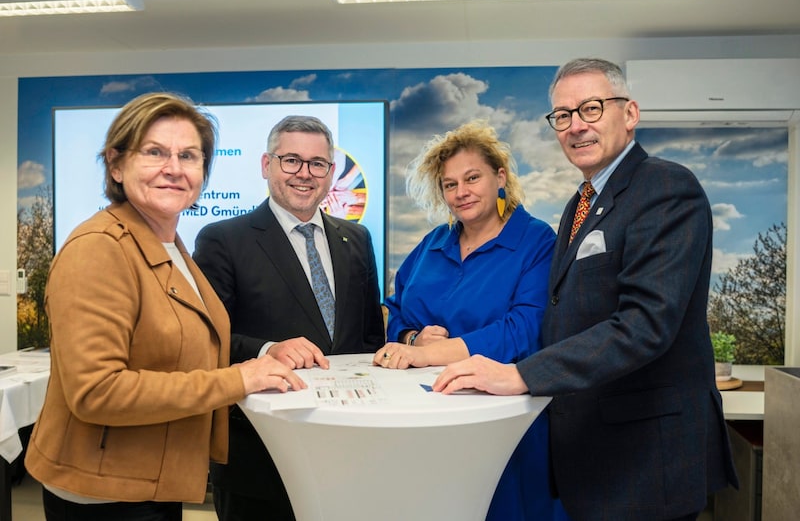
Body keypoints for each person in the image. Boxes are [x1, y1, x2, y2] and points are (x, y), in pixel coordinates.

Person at [433, 58, 740, 521]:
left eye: (591, 109)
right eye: (563, 115)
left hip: (645, 461)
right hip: (594, 456)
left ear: (630, 113)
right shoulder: (580, 202)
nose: (576, 126)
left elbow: (645, 324)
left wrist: (522, 375)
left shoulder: (666, 187)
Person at [24, 92, 305, 521]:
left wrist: (265, 353)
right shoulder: (99, 248)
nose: (174, 168)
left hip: (150, 478)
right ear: (116, 165)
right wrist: (236, 380)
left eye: (189, 156)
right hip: (106, 494)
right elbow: (97, 392)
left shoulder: (168, 244)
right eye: (155, 152)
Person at [373, 120, 568, 521]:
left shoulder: (536, 241)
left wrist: (432, 355)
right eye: (449, 184)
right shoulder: (432, 244)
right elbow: (395, 311)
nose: (461, 192)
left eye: (472, 177)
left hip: (502, 425)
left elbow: (525, 330)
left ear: (500, 177)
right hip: (427, 423)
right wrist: (412, 341)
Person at [193, 115, 385, 521]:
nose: (305, 173)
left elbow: (369, 339)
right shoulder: (223, 240)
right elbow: (207, 342)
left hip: (348, 450)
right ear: (267, 165)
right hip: (260, 457)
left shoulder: (357, 239)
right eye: (291, 160)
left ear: (331, 173)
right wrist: (267, 350)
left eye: (317, 163)